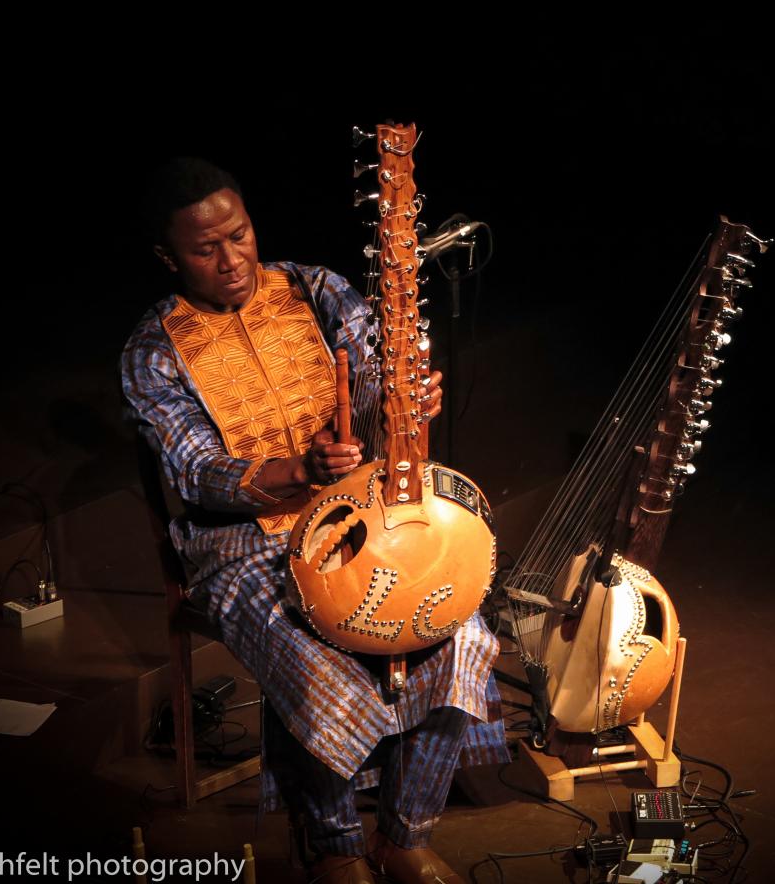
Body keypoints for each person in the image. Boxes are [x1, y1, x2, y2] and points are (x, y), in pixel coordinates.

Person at [121, 158, 508, 884]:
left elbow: (372, 381)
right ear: (167, 257)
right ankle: (332, 844)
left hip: (359, 515)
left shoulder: (317, 289)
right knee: (319, 662)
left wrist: (403, 399)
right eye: (206, 250)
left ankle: (405, 835)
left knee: (463, 634)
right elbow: (192, 470)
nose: (232, 260)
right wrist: (296, 472)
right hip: (240, 544)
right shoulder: (154, 351)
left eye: (238, 236)